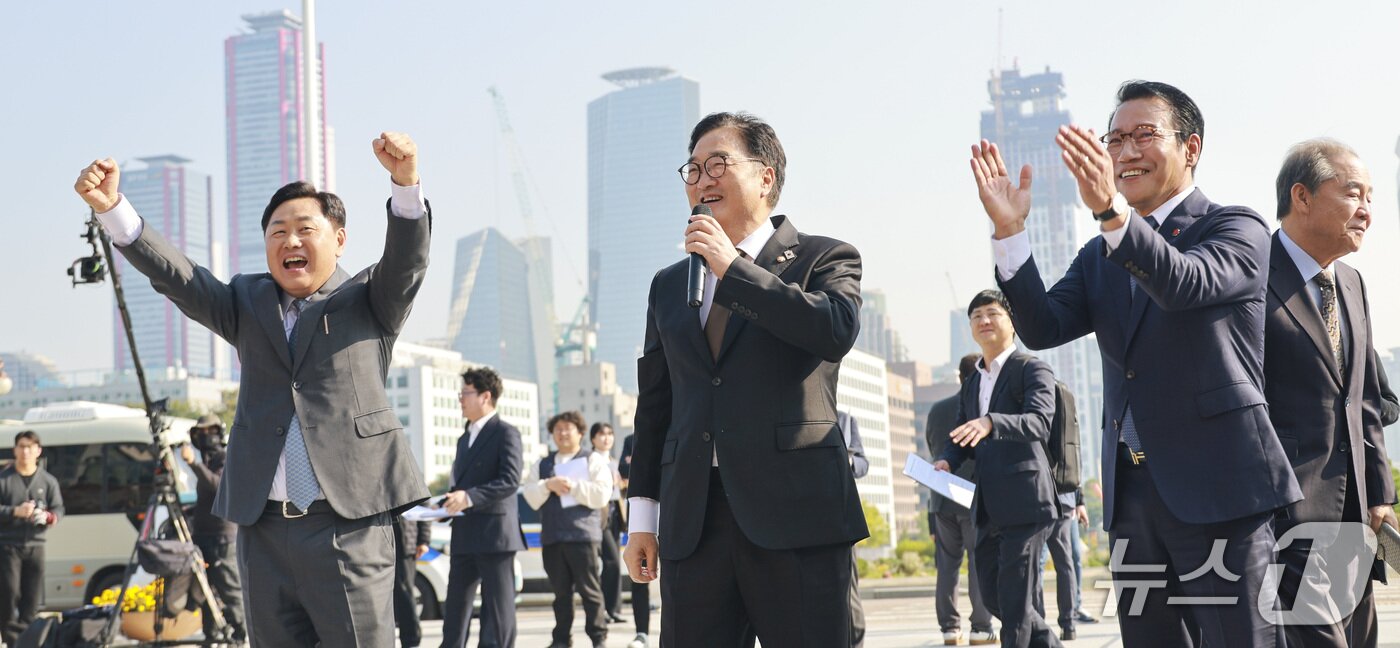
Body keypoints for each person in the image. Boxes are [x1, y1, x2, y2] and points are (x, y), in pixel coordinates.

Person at [973, 80, 1302, 647]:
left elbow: (1182, 283)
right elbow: (1044, 326)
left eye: (1144, 136)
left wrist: (1109, 211)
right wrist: (1010, 232)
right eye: (1115, 139)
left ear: (1191, 147)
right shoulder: (1100, 253)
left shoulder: (1235, 228)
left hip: (1219, 488)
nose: (1125, 152)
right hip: (1133, 497)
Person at [74, 132, 432, 646]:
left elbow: (407, 261)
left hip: (347, 524)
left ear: (339, 239)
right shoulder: (246, 301)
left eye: (305, 229)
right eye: (277, 232)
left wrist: (405, 185)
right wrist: (114, 211)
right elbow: (181, 278)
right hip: (263, 530)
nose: (290, 242)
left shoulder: (370, 299)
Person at [624, 111, 868, 648]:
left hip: (798, 518)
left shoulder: (823, 256)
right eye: (692, 168)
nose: (702, 178)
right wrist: (642, 515)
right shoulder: (669, 285)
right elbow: (656, 404)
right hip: (696, 523)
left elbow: (833, 329)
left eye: (718, 164)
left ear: (766, 177)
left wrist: (732, 269)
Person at [1263, 139, 1396, 648]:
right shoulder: (1251, 276)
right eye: (1353, 193)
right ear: (1302, 196)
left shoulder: (1353, 282)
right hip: (1286, 517)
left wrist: (1381, 493)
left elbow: (1361, 400)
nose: (1367, 210)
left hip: (1354, 517)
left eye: (1371, 197)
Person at [935, 290, 1063, 648]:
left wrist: (992, 422)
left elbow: (1039, 422)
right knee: (993, 596)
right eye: (976, 316)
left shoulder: (1032, 367)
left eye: (992, 313)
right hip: (988, 505)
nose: (984, 321)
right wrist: (948, 459)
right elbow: (962, 430)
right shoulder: (974, 379)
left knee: (1014, 601)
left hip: (1027, 501)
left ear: (1012, 323)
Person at [439, 366, 526, 648]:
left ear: (485, 396)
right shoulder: (464, 438)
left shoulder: (505, 432)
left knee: (498, 615)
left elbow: (510, 481)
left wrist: (469, 497)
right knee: (455, 612)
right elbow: (461, 486)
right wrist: (444, 503)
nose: (460, 399)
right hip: (464, 534)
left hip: (495, 535)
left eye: (466, 393)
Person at [524, 411, 613, 648]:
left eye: (568, 428)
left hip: (583, 536)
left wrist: (573, 486)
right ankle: (561, 639)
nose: (563, 433)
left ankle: (598, 637)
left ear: (580, 433)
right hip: (553, 537)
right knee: (560, 594)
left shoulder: (592, 460)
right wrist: (547, 485)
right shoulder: (542, 464)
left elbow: (602, 494)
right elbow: (530, 495)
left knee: (590, 591)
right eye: (558, 429)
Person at [927, 353, 997, 646]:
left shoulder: (936, 409)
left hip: (942, 498)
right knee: (978, 562)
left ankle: (949, 628)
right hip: (973, 496)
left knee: (947, 565)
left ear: (958, 376)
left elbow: (935, 447)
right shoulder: (979, 409)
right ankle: (980, 627)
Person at [178, 414, 246, 643]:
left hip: (222, 538)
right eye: (200, 433)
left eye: (209, 432)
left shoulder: (224, 458)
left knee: (230, 590)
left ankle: (242, 634)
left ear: (218, 433)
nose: (204, 437)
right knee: (206, 591)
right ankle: (212, 635)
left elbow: (218, 486)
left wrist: (192, 464)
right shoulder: (206, 461)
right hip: (203, 536)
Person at [0, 430, 62, 646]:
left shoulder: (48, 480)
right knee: (9, 595)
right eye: (21, 447)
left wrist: (47, 517)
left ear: (38, 450)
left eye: (30, 447)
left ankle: (28, 641)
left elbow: (59, 510)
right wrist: (13, 512)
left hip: (36, 545)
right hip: (8, 545)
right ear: (15, 450)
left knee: (32, 598)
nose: (25, 451)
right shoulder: (4, 479)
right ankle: (11, 640)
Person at [617, 434, 652, 648]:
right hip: (643, 515)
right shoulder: (633, 438)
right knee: (640, 577)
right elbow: (624, 468)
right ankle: (642, 633)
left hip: (679, 506)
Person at [589, 423, 626, 625]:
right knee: (609, 561)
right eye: (601, 434)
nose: (606, 438)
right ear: (593, 439)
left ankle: (612, 609)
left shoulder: (613, 461)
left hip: (615, 515)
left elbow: (618, 489)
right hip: (597, 516)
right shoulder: (589, 459)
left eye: (610, 433)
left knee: (614, 563)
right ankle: (605, 610)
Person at [392, 515, 432, 648]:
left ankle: (411, 641)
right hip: (378, 541)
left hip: (404, 541)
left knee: (405, 594)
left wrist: (424, 540)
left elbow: (423, 504)